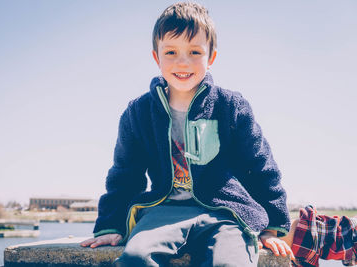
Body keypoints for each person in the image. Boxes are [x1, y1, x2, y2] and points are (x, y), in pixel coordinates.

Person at [81, 2, 295, 266]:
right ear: (156, 57)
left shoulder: (230, 107)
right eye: (171, 51)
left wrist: (272, 226)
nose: (182, 62)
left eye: (195, 51)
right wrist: (111, 226)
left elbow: (260, 167)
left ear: (211, 57)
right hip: (163, 211)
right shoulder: (138, 112)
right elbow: (125, 174)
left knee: (230, 262)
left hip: (225, 212)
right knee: (136, 258)